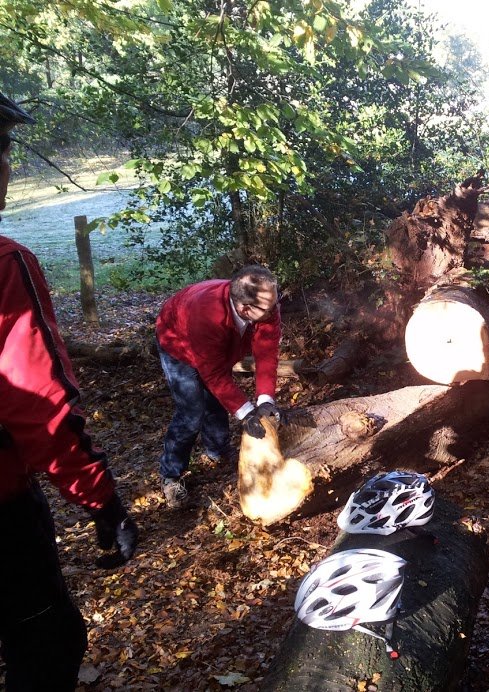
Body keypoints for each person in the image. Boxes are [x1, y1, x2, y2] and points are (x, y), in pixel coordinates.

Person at [0, 92, 139, 690]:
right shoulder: (5, 265)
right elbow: (39, 405)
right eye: (6, 149)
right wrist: (102, 501)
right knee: (47, 643)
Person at [155, 265, 282, 507]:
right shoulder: (207, 315)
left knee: (215, 400)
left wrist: (265, 400)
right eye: (269, 307)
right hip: (178, 343)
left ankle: (217, 450)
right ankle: (171, 474)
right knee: (192, 412)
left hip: (217, 347)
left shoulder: (266, 308)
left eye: (276, 301)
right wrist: (246, 413)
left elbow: (267, 354)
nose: (276, 310)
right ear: (245, 308)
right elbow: (213, 374)